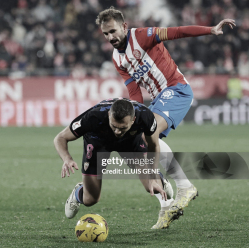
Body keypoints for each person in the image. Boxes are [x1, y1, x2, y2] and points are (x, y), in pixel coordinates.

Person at [95, 7, 235, 228]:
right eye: (105, 34)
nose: (110, 37)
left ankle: (183, 187)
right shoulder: (117, 59)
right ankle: (166, 199)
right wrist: (135, 116)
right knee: (137, 139)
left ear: (124, 26)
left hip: (176, 90)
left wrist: (210, 30)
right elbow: (134, 91)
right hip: (159, 99)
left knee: (147, 135)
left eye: (113, 31)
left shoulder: (141, 36)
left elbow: (176, 31)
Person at [54, 98, 183, 229]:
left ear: (133, 120)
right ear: (109, 115)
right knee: (90, 199)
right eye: (114, 126)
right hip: (98, 142)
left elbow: (154, 145)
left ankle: (159, 179)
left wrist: (152, 173)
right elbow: (60, 138)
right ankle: (78, 192)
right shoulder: (93, 116)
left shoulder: (145, 116)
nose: (117, 131)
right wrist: (67, 159)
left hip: (130, 142)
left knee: (151, 184)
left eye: (122, 127)